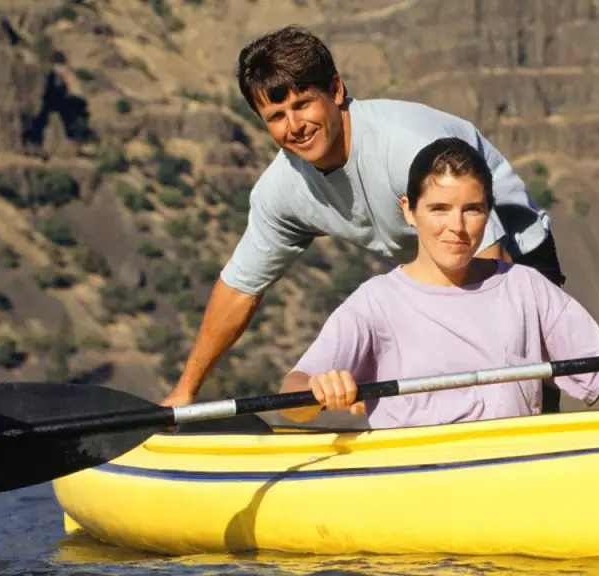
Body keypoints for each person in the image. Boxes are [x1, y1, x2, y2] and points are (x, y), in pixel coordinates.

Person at [161, 25, 568, 410]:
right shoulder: (281, 190)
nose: (295, 126)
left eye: (303, 104)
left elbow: (492, 265)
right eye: (277, 116)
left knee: (518, 393)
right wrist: (185, 392)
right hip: (425, 275)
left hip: (512, 257)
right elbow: (240, 289)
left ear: (336, 90)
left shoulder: (409, 147)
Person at [277, 137, 599, 428]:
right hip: (418, 489)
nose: (456, 228)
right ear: (409, 212)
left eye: (472, 210)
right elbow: (292, 395)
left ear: (488, 213)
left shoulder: (526, 287)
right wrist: (317, 391)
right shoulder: (376, 302)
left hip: (515, 479)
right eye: (439, 209)